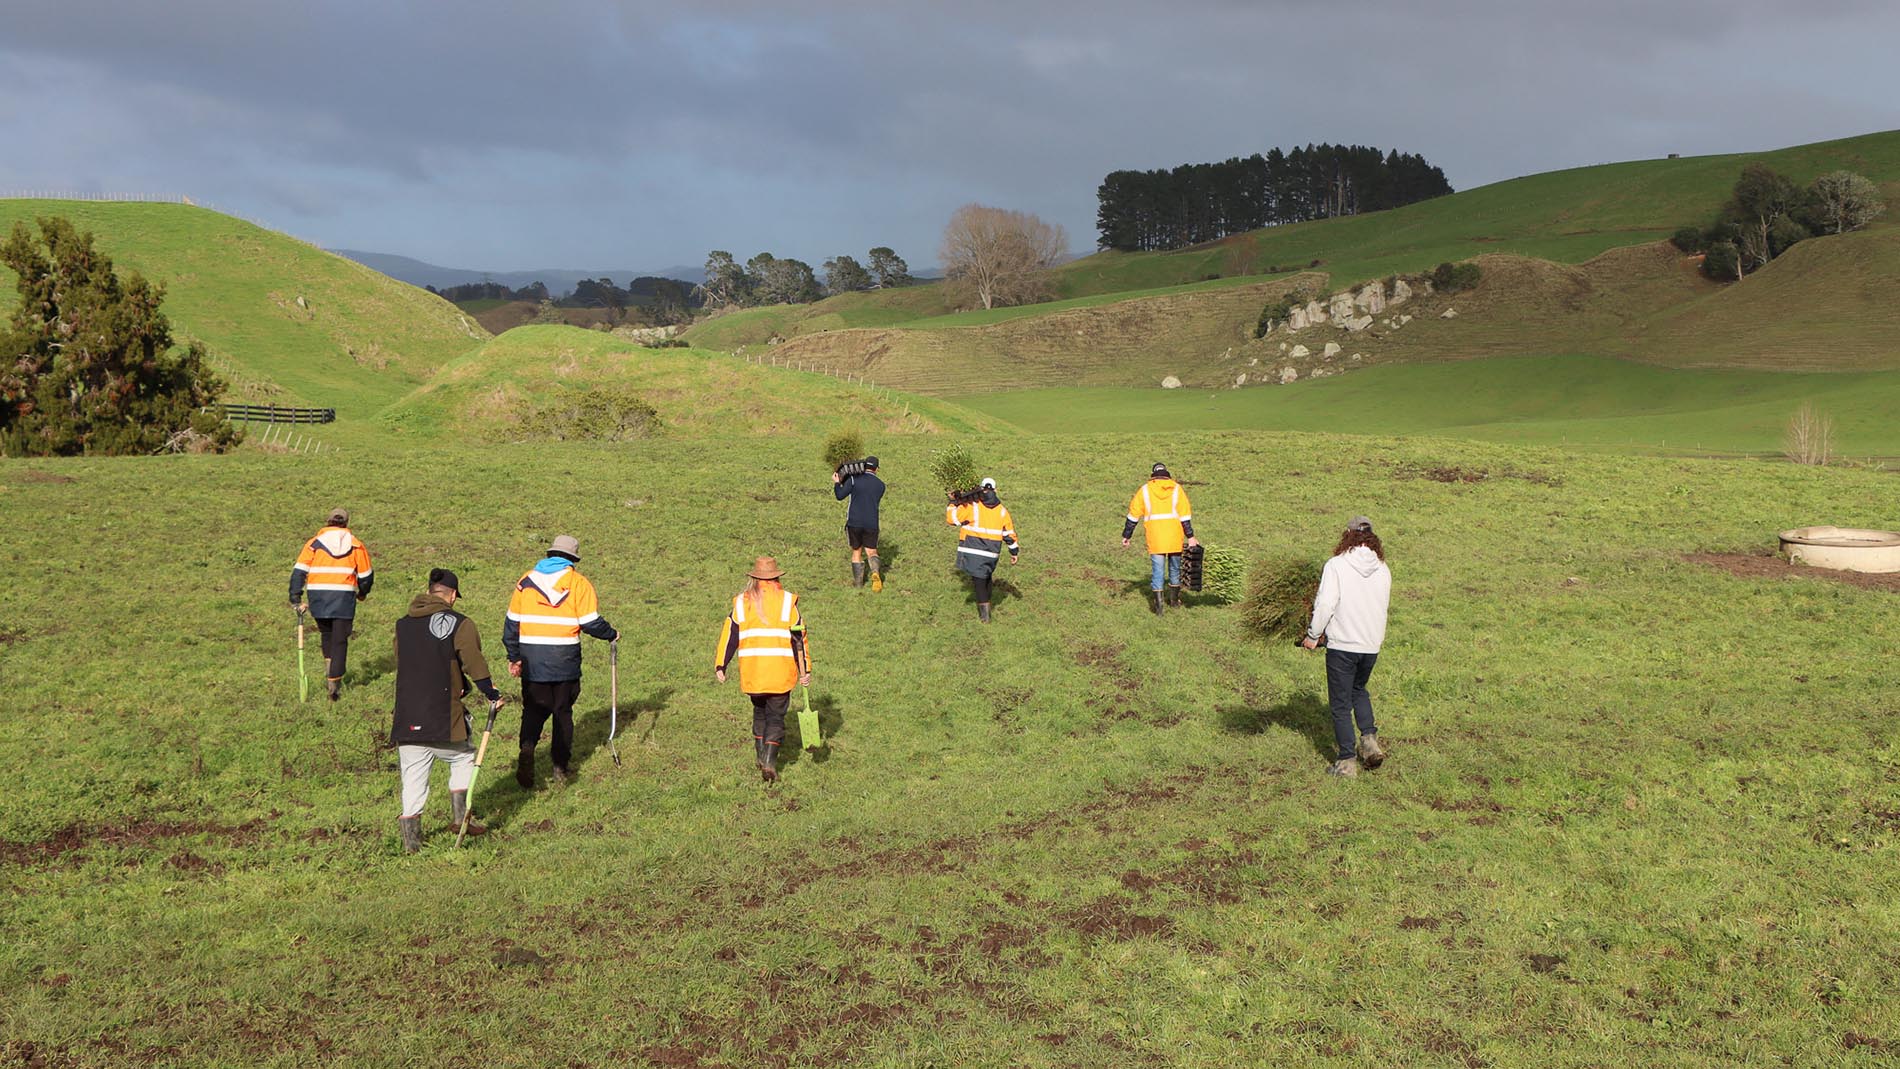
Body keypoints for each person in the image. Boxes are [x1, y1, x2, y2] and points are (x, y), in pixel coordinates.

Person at [389, 568, 505, 854]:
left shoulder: (402, 625)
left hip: (407, 715)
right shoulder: (460, 623)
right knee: (464, 756)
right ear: (452, 596)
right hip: (442, 714)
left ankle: (412, 843)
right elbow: (473, 661)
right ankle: (461, 818)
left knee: (413, 778)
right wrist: (491, 693)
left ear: (430, 592)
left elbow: (406, 661)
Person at [502, 535, 618, 789]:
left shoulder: (525, 581)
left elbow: (511, 623)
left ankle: (527, 748)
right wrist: (611, 633)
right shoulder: (578, 583)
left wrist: (514, 656)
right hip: (565, 659)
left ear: (550, 554)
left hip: (532, 659)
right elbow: (590, 622)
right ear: (572, 559)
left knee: (533, 710)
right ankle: (560, 768)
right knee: (562, 712)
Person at [1302, 516, 1392, 777]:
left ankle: (1346, 762)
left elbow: (1326, 604)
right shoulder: (1383, 568)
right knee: (1358, 690)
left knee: (1340, 704)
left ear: (1348, 535)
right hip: (1371, 644)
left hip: (1343, 644)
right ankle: (1370, 742)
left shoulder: (1337, 565)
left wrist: (1313, 635)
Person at [713, 557, 811, 783]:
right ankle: (769, 762)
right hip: (780, 673)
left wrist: (721, 664)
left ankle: (760, 755)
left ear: (754, 578)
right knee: (775, 717)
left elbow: (729, 636)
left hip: (753, 673)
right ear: (776, 577)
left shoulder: (741, 602)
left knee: (759, 712)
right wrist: (805, 669)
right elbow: (799, 640)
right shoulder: (787, 602)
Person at [288, 507, 374, 701]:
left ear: (328, 522)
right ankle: (334, 686)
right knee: (340, 640)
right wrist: (362, 593)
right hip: (344, 598)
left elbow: (299, 572)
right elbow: (366, 576)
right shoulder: (356, 545)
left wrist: (295, 597)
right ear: (346, 523)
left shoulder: (314, 544)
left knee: (327, 635)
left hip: (318, 598)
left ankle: (330, 674)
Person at [1122, 462, 1198, 616]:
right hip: (1174, 537)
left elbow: (1133, 515)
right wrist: (1190, 537)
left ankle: (1159, 608)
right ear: (1166, 473)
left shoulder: (1145, 490)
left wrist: (1127, 535)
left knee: (1158, 571)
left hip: (1155, 537)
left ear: (1153, 474)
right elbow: (1185, 516)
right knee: (1175, 569)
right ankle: (1174, 602)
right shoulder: (1176, 489)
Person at [946, 477, 1019, 623]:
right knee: (986, 576)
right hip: (992, 553)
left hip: (974, 550)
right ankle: (987, 607)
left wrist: (953, 502)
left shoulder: (972, 506)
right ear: (995, 490)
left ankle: (985, 617)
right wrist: (1014, 552)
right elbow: (1009, 534)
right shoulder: (1002, 511)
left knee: (979, 582)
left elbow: (952, 519)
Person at [833, 455, 886, 591]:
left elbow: (840, 496)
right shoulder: (881, 485)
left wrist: (837, 482)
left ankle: (858, 583)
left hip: (854, 521)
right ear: (876, 469)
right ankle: (875, 572)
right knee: (871, 551)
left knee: (857, 551)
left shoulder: (854, 479)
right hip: (871, 522)